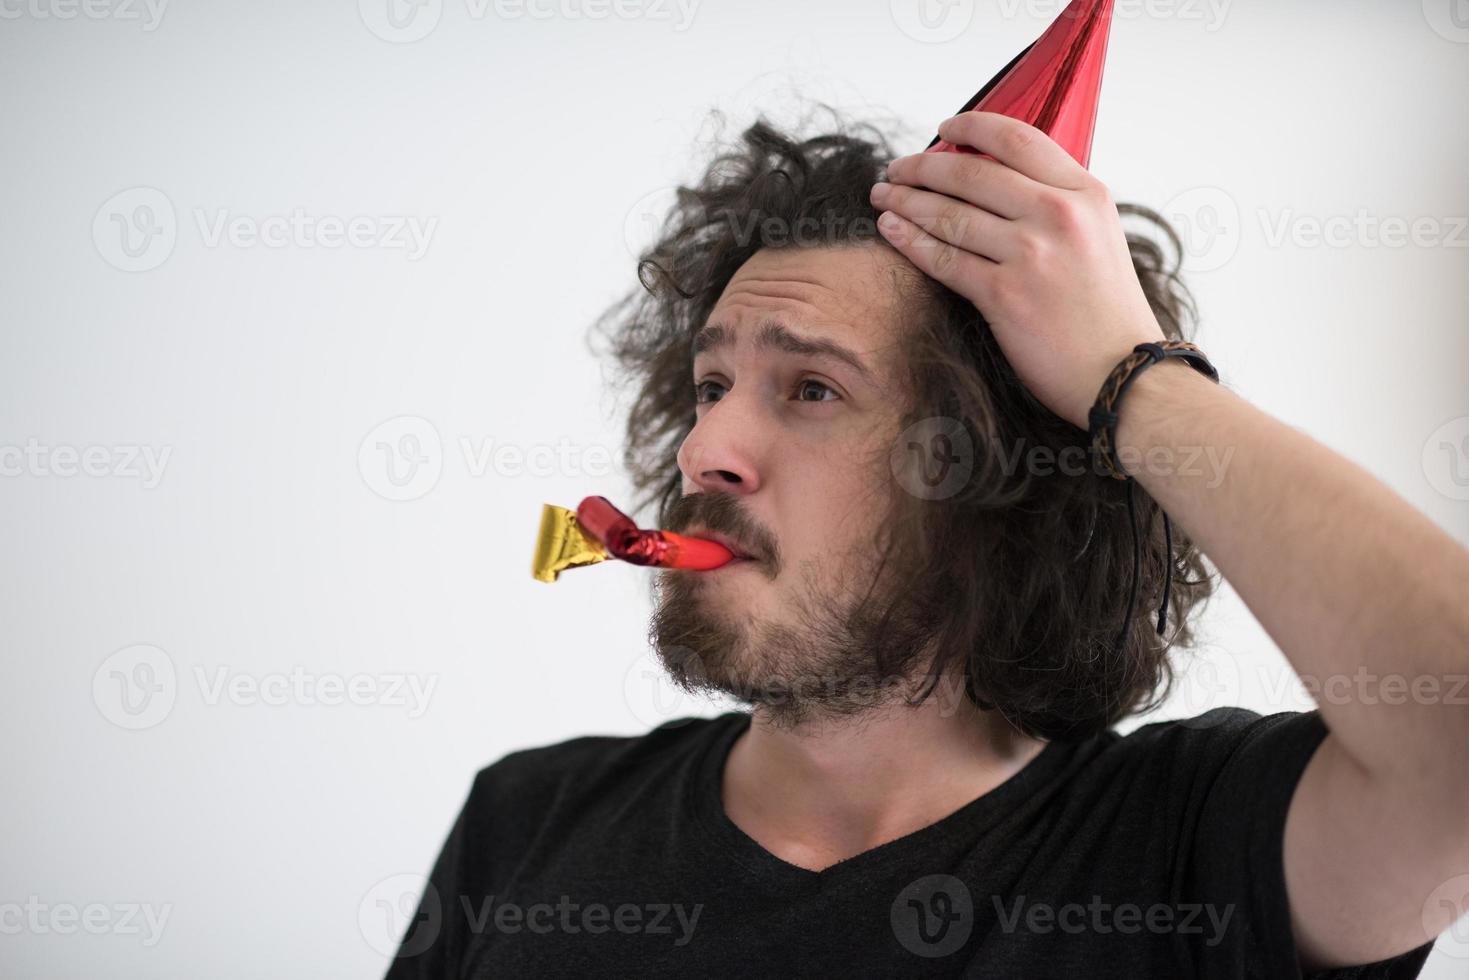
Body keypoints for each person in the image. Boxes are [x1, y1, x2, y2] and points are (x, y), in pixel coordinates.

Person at [381, 103, 1468, 977]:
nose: (704, 448)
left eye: (809, 387)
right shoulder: (526, 820)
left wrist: (1121, 374)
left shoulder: (1187, 848)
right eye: (709, 385)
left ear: (985, 477)